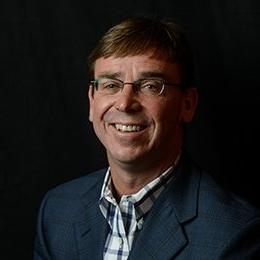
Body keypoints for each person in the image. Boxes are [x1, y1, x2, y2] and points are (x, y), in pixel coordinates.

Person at [34, 17, 260, 259]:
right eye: (111, 84)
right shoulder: (57, 210)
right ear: (92, 101)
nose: (125, 103)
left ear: (187, 104)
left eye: (151, 86)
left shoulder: (233, 234)